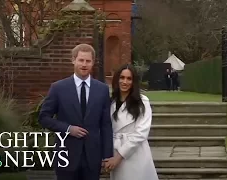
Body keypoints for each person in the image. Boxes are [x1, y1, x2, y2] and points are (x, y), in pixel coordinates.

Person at [38, 44, 114, 180]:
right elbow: (44, 117)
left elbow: (106, 124)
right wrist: (68, 129)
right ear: (73, 60)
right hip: (66, 155)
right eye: (81, 60)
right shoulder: (58, 88)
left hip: (92, 157)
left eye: (88, 61)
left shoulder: (102, 90)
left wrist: (107, 155)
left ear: (93, 63)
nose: (84, 64)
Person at [103, 64, 159, 180]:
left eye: (129, 79)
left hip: (135, 153)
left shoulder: (142, 101)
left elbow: (141, 133)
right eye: (122, 77)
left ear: (134, 82)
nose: (125, 82)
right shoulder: (111, 101)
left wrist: (119, 157)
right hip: (115, 150)